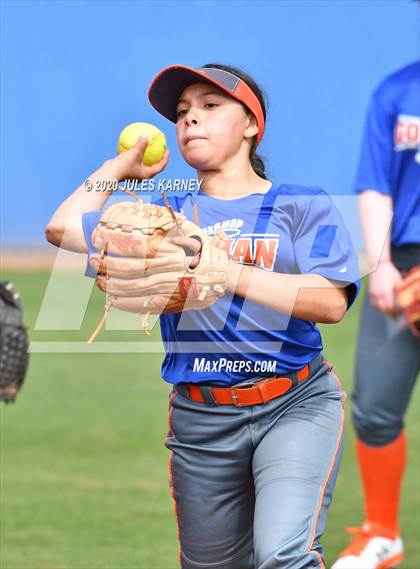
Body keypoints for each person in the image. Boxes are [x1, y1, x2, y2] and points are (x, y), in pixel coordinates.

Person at [46, 63, 360, 569]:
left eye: (211, 107)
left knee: (283, 555)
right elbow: (61, 229)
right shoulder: (163, 216)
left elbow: (330, 302)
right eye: (182, 112)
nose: (191, 119)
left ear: (252, 125)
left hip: (295, 404)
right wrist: (117, 168)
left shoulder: (301, 206)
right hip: (201, 419)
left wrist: (225, 270)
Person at [332, 61, 420, 569]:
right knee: (376, 406)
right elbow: (376, 184)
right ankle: (382, 532)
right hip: (404, 264)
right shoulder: (397, 91)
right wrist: (382, 265)